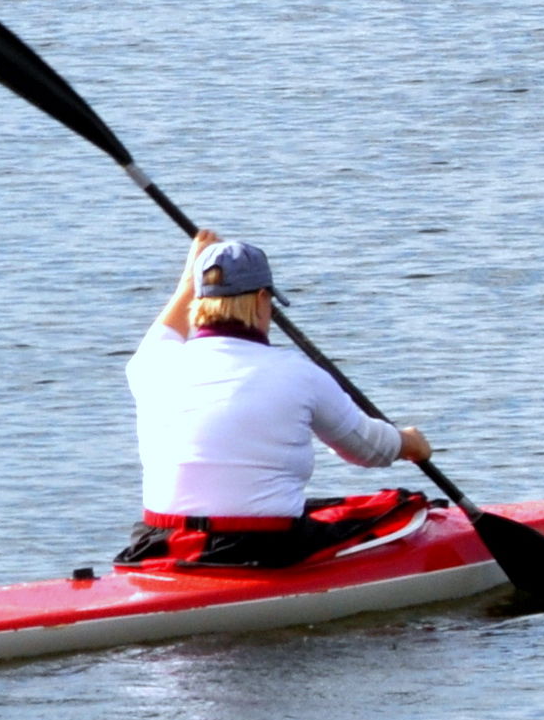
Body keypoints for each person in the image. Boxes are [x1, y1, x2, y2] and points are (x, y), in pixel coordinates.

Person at [116, 229, 433, 569]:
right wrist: (409, 444)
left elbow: (165, 330)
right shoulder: (297, 373)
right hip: (260, 548)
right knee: (405, 506)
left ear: (197, 298)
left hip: (158, 544)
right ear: (262, 298)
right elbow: (368, 449)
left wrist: (188, 281)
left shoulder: (151, 364)